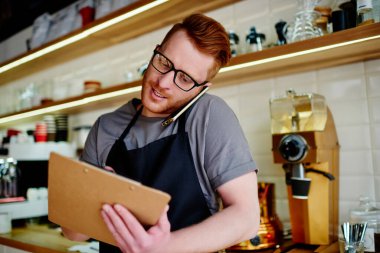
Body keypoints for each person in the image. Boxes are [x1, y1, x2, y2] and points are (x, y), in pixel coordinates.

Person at [62, 13, 260, 253]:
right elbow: (73, 232)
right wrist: (96, 199)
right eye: (164, 62)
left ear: (201, 89)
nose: (164, 82)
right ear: (155, 52)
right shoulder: (106, 127)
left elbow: (247, 217)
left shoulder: (208, 115)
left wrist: (165, 247)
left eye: (185, 78)